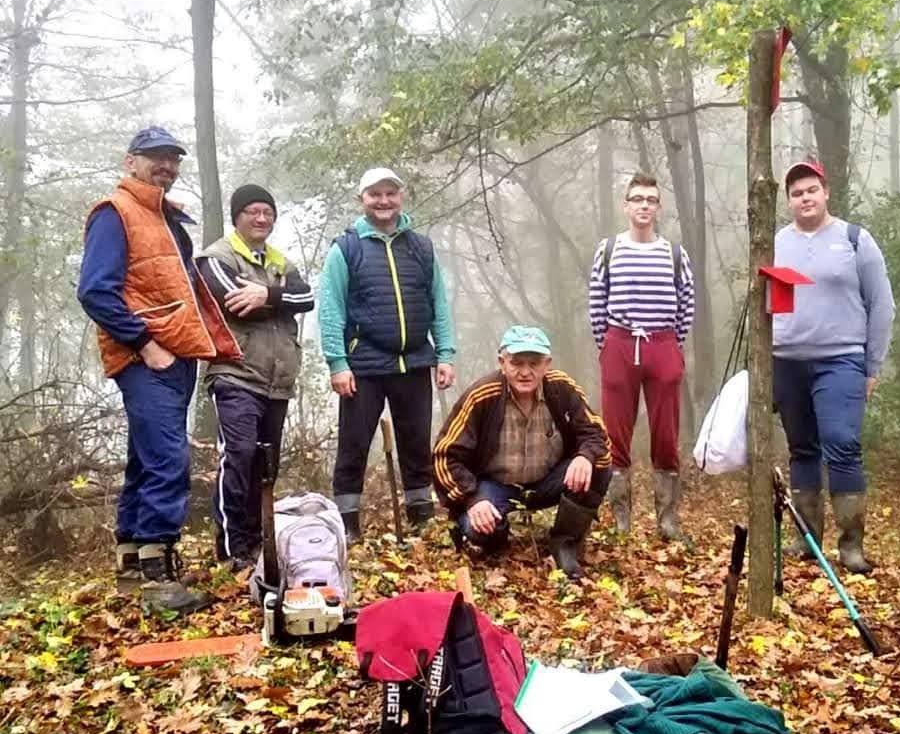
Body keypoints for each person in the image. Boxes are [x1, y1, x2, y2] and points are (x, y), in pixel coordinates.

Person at [78, 126, 241, 612]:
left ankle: (131, 563)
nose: (165, 166)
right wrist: (145, 345)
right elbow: (95, 291)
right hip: (148, 358)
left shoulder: (166, 218)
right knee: (169, 459)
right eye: (155, 158)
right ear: (131, 162)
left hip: (177, 355)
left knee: (146, 456)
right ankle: (160, 578)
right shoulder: (115, 213)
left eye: (172, 159)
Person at [318, 167, 456, 541]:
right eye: (374, 195)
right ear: (361, 200)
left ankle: (421, 518)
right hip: (363, 365)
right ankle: (347, 524)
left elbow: (438, 303)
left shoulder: (420, 247)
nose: (383, 201)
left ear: (401, 196)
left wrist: (445, 353)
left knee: (416, 443)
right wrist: (337, 362)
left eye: (390, 194)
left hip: (414, 360)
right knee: (354, 444)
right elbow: (330, 308)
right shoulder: (346, 248)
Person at [773, 159, 895, 573]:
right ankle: (806, 539)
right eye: (796, 193)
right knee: (801, 449)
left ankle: (851, 546)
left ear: (825, 192)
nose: (804, 198)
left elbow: (881, 305)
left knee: (842, 445)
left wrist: (872, 365)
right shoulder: (777, 243)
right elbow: (775, 306)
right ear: (788, 201)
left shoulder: (855, 240)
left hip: (841, 360)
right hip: (788, 361)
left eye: (811, 190)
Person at [432, 325, 612, 580]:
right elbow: (445, 455)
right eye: (516, 362)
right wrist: (472, 499)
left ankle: (565, 543)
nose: (525, 372)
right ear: (502, 362)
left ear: (547, 364)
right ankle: (495, 534)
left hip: (549, 479)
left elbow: (595, 432)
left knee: (599, 464)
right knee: (479, 529)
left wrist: (585, 457)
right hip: (495, 484)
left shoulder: (561, 388)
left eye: (534, 363)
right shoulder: (482, 395)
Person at [196, 184, 314, 569]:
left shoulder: (280, 260)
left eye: (267, 212)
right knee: (240, 454)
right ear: (237, 217)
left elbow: (306, 297)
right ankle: (232, 547)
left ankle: (256, 541)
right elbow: (233, 301)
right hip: (235, 372)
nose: (261, 219)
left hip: (277, 379)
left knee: (265, 464)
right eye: (252, 212)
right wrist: (278, 298)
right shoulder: (216, 257)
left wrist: (267, 296)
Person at [588, 172, 695, 540]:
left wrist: (671, 347)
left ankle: (667, 521)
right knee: (615, 435)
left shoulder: (674, 253)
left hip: (662, 344)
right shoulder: (609, 249)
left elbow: (687, 304)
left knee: (666, 435)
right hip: (619, 344)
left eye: (651, 199)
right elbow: (596, 301)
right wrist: (607, 345)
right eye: (637, 199)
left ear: (659, 207)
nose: (644, 205)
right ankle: (621, 523)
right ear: (626, 205)